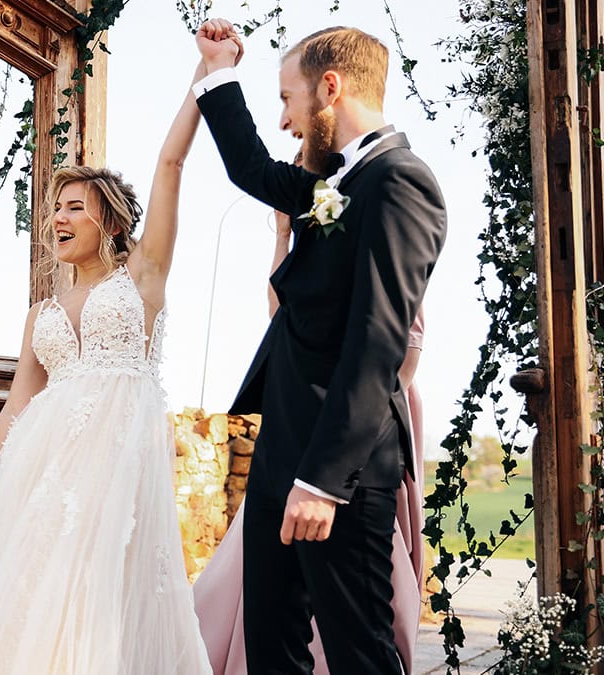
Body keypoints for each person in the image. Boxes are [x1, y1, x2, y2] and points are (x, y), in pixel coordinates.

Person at [0, 50, 238, 674]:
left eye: (75, 206)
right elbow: (15, 409)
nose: (59, 218)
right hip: (43, 478)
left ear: (109, 219)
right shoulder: (42, 313)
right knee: (38, 607)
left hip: (118, 472)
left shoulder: (143, 278)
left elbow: (170, 165)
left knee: (103, 601)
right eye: (56, 209)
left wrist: (204, 79)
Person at [191, 20, 447, 674]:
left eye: (287, 98)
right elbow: (251, 167)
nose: (284, 120)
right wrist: (219, 68)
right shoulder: (333, 186)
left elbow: (376, 342)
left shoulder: (399, 182)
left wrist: (324, 480)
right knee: (273, 647)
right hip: (280, 458)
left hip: (343, 473)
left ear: (329, 87)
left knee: (358, 651)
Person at [192, 211, 428, 675]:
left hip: (362, 422)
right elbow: (278, 312)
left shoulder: (386, 241)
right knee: (269, 576)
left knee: (357, 580)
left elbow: (405, 358)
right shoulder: (307, 255)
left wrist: (345, 432)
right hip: (296, 415)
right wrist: (284, 234)